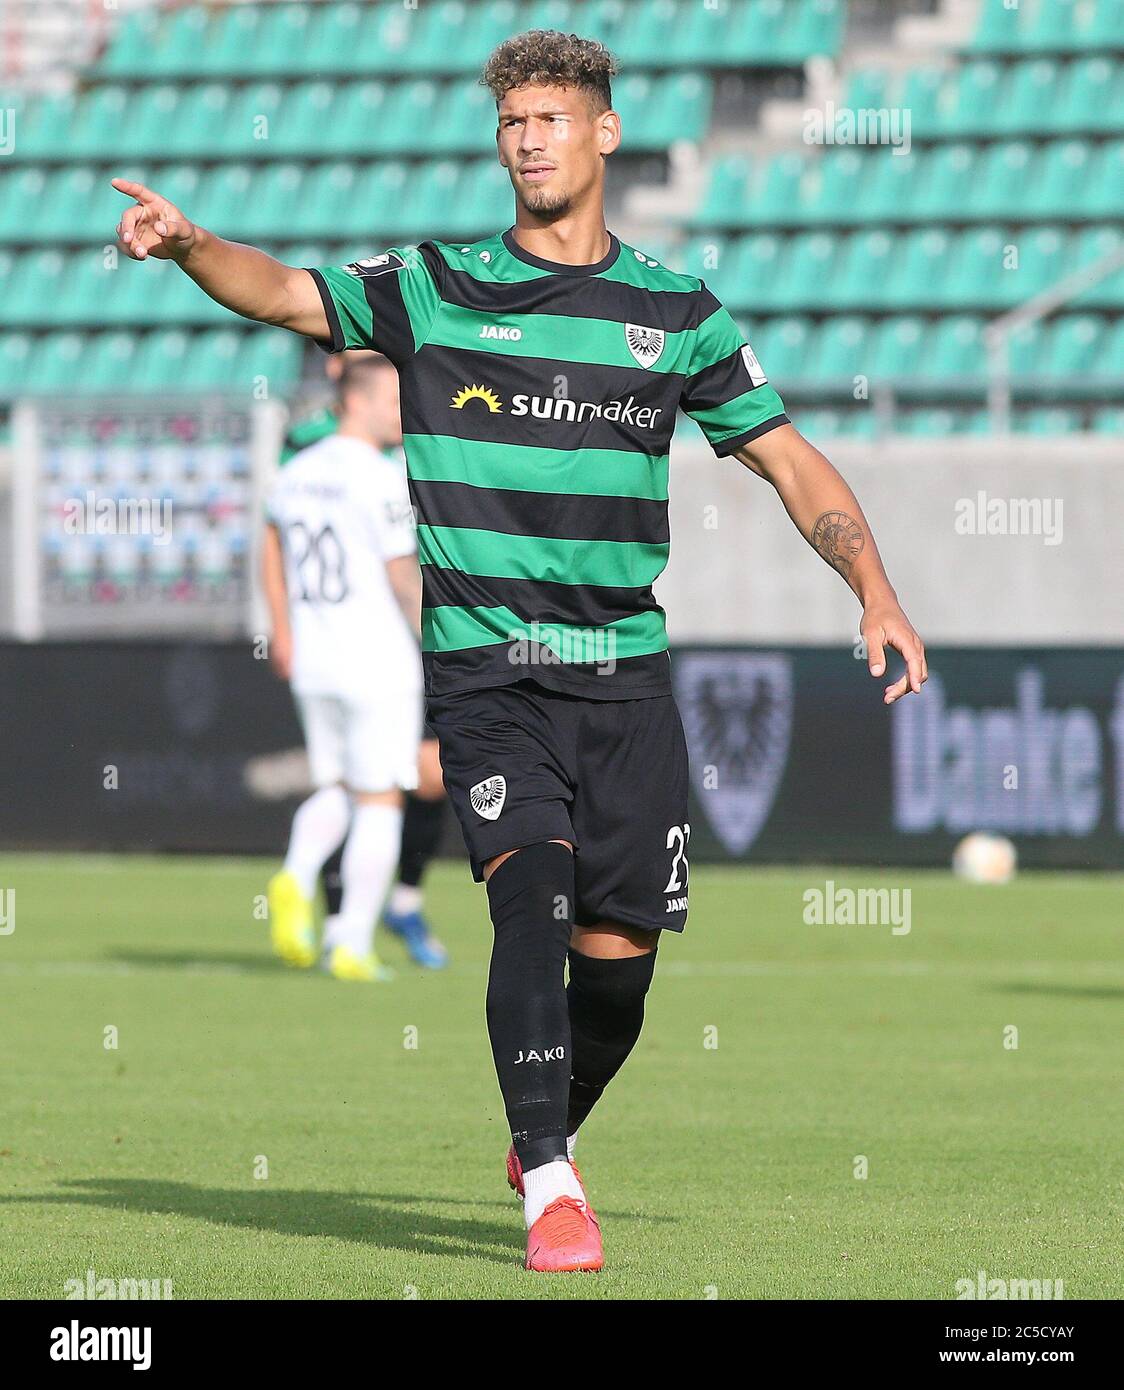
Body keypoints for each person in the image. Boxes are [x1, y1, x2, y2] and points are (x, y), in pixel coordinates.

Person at [112, 27, 926, 1273]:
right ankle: (549, 1177)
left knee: (621, 963)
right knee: (530, 904)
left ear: (602, 132)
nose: (526, 140)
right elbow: (282, 291)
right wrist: (189, 248)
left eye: (549, 119)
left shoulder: (674, 311)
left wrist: (870, 582)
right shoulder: (436, 286)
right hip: (489, 670)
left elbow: (786, 457)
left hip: (627, 677)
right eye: (510, 123)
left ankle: (544, 1124)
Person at [280, 350, 449, 968]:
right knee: (381, 801)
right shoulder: (379, 475)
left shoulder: (298, 469)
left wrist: (280, 628)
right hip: (375, 657)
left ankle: (296, 876)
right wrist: (438, 647)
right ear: (357, 399)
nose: (404, 415)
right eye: (393, 401)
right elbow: (403, 576)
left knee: (339, 787)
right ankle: (350, 941)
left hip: (316, 657)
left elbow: (271, 545)